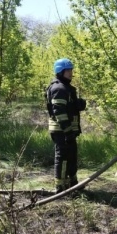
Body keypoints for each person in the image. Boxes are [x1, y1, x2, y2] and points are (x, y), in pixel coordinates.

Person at [45, 58, 87, 193]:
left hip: (68, 130)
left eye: (71, 70)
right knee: (62, 158)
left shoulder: (66, 88)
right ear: (60, 71)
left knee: (72, 156)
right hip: (61, 131)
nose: (71, 73)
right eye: (68, 70)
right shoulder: (59, 88)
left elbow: (67, 107)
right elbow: (59, 111)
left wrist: (77, 104)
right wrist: (68, 131)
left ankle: (72, 183)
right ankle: (61, 187)